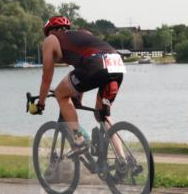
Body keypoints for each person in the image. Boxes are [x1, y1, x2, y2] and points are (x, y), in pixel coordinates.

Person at [30, 16, 125, 153]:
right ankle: (123, 160)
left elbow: (47, 78)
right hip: (116, 64)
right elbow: (81, 71)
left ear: (51, 31)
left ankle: (78, 139)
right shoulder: (80, 36)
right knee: (102, 115)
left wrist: (41, 104)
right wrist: (77, 98)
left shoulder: (50, 40)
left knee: (60, 94)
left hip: (96, 64)